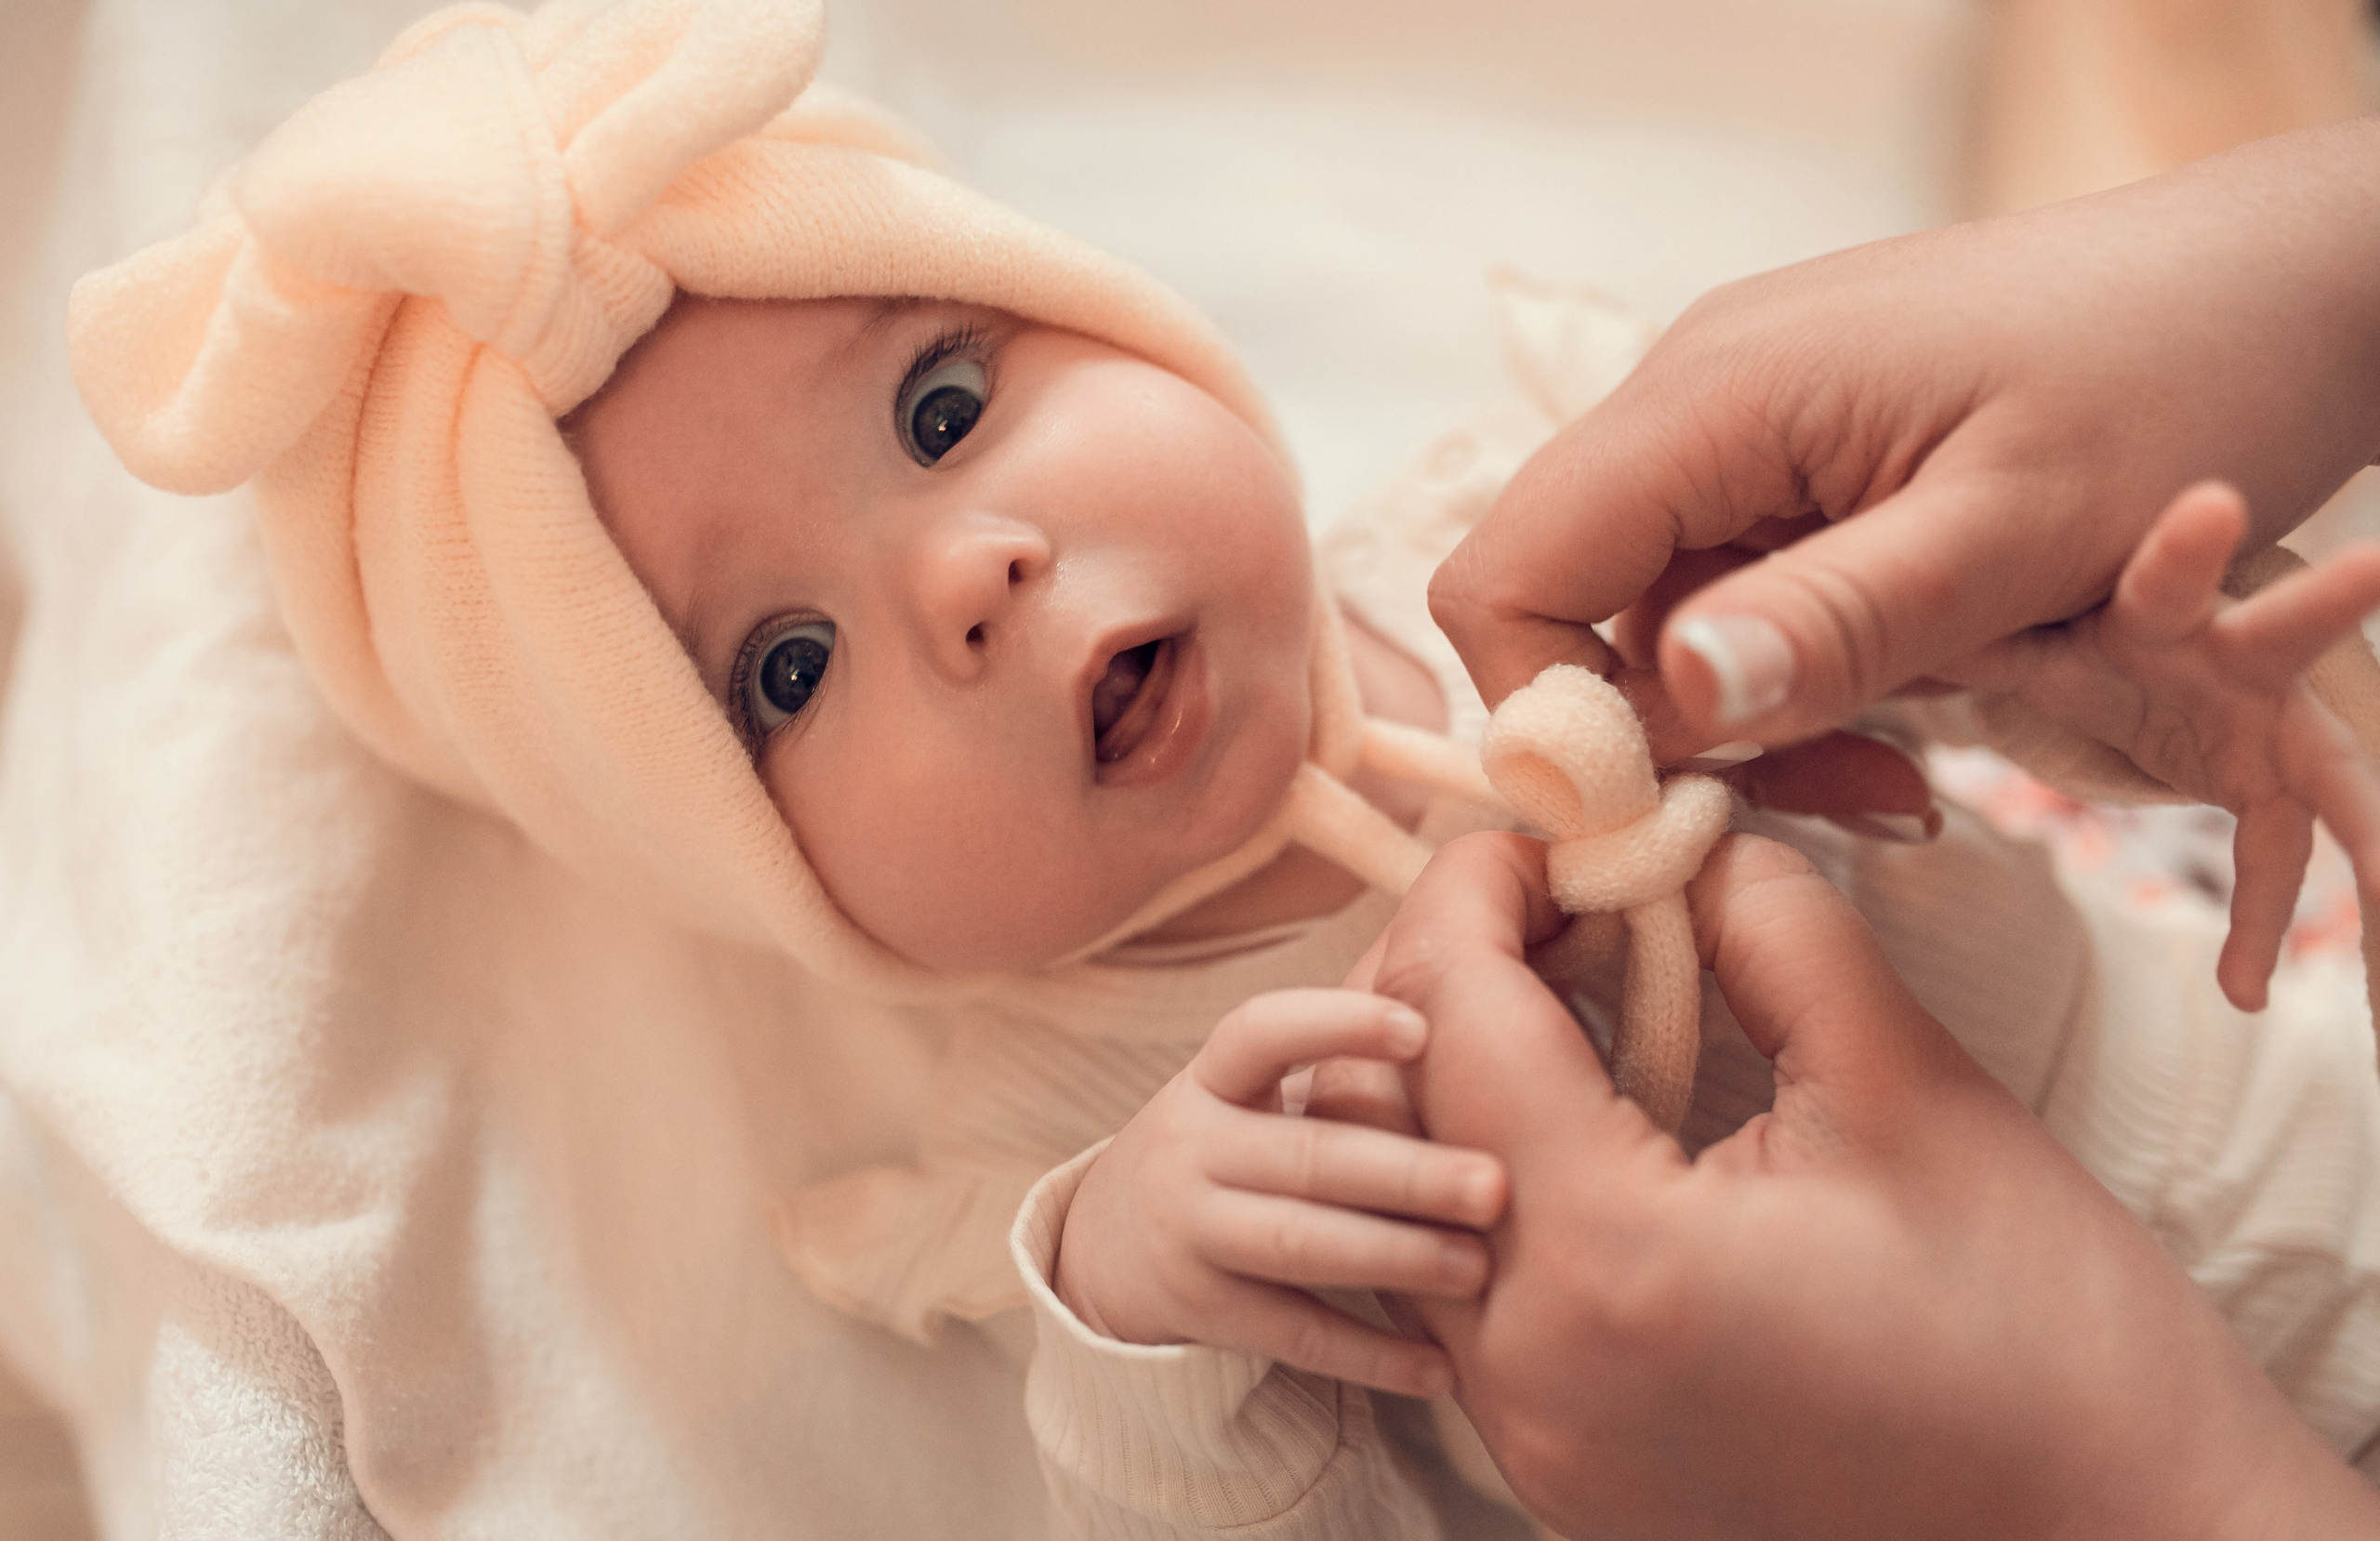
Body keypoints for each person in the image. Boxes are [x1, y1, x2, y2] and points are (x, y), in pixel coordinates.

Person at [1408, 113, 2380, 1535]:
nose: (976, 575)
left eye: (952, 408)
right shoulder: (1054, 1122)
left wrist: (2108, 1471)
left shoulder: (1449, 511)